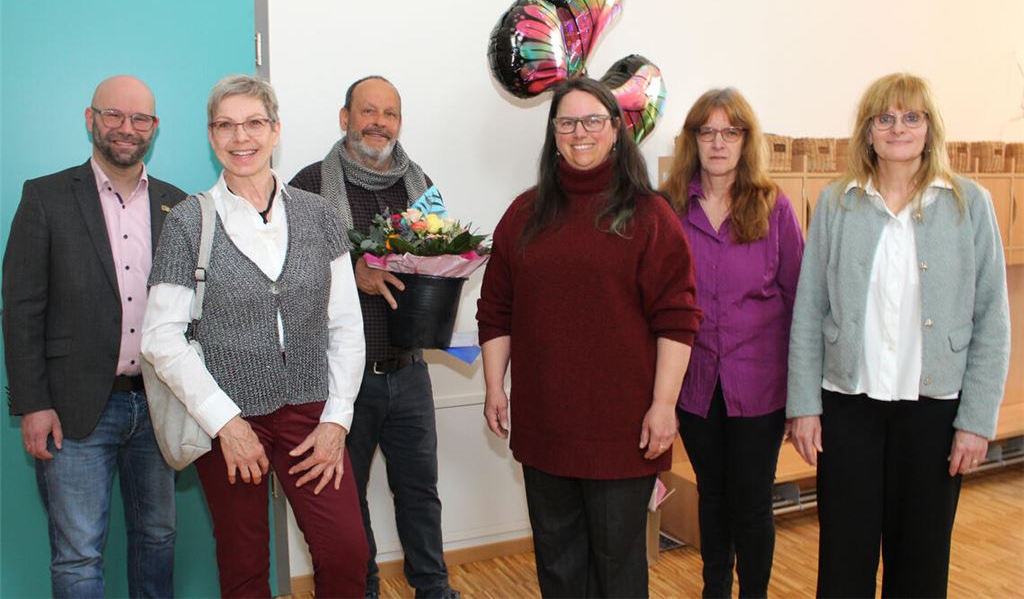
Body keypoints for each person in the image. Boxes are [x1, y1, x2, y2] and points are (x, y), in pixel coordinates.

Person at [141, 74, 368, 598]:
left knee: (345, 552)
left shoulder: (319, 215)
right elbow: (160, 337)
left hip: (312, 416)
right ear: (210, 134)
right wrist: (226, 424)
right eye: (226, 125)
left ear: (275, 130)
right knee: (244, 566)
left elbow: (346, 326)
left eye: (253, 124)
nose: (240, 138)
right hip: (229, 420)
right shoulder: (189, 222)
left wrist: (337, 419)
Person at [477, 77, 703, 598]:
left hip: (624, 431)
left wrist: (664, 406)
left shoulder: (651, 217)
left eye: (593, 120)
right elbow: (496, 310)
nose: (581, 132)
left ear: (617, 131)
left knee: (618, 570)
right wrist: (495, 386)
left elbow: (677, 319)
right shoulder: (524, 215)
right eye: (567, 122)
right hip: (546, 426)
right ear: (553, 132)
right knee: (558, 566)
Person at [787, 73, 1010, 598]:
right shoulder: (838, 203)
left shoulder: (968, 204)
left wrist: (976, 422)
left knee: (921, 563)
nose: (898, 128)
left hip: (933, 413)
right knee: (844, 561)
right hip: (849, 408)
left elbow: (992, 321)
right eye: (884, 118)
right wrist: (803, 405)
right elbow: (808, 310)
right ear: (867, 132)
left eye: (911, 117)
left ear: (930, 129)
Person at [2, 75, 184, 598]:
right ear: (91, 119)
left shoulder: (179, 206)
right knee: (79, 554)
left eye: (140, 119)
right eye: (114, 115)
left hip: (157, 405)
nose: (126, 129)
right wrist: (32, 404)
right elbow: (21, 312)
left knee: (159, 538)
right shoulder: (46, 197)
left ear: (154, 128)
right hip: (74, 410)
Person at [288, 75, 459, 599]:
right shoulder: (309, 185)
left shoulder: (421, 185)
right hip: (342, 381)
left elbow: (440, 260)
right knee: (346, 499)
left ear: (399, 123)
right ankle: (362, 591)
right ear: (345, 118)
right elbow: (285, 279)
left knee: (420, 495)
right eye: (368, 111)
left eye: (389, 113)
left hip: (408, 372)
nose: (378, 122)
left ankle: (434, 589)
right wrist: (349, 273)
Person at [661, 88, 804, 598]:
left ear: (747, 140)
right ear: (693, 141)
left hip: (760, 387)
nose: (718, 143)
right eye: (707, 132)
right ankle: (714, 589)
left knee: (751, 500)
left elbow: (799, 303)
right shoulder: (670, 209)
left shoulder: (774, 207)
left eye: (731, 131)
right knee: (713, 495)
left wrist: (804, 397)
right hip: (695, 384)